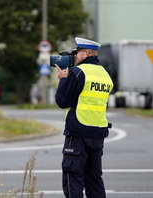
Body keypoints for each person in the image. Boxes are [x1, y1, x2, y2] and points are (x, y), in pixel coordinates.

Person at [55, 37, 113, 198]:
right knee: (94, 181)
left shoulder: (79, 72)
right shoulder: (105, 75)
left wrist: (63, 80)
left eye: (77, 52)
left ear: (86, 53)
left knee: (72, 178)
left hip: (78, 133)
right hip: (97, 134)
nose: (75, 56)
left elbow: (62, 101)